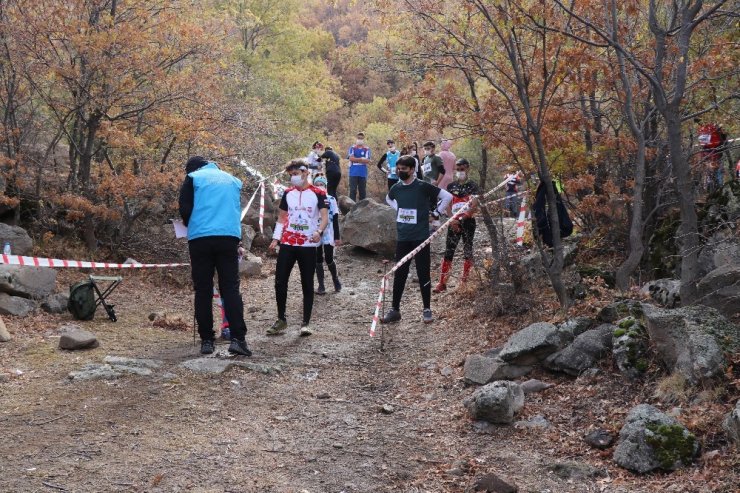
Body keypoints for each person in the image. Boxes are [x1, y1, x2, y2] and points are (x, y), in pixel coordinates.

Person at [178, 156, 251, 356]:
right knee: (230, 288)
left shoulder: (193, 178)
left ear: (191, 169)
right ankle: (238, 339)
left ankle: (207, 341)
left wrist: (187, 222)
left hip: (200, 238)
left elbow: (185, 208)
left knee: (203, 289)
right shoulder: (232, 180)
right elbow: (236, 210)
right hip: (228, 237)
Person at [381, 156, 452, 324]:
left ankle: (427, 309)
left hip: (420, 237)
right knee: (400, 273)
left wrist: (436, 213)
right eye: (398, 169)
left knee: (422, 272)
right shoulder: (397, 188)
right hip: (403, 237)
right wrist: (398, 209)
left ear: (412, 169)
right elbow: (388, 198)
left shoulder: (422, 186)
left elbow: (447, 197)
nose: (400, 172)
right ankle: (395, 310)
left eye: (404, 169)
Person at [268, 160, 329, 337]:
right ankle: (281, 319)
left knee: (307, 282)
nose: (292, 177)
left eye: (295, 173)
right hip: (288, 242)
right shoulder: (288, 193)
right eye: (290, 174)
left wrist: (319, 230)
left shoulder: (319, 193)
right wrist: (275, 238)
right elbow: (281, 218)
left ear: (305, 172)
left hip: (308, 244)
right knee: (280, 281)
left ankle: (306, 323)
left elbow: (324, 217)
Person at [434, 158, 480, 293]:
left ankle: (464, 283)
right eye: (458, 169)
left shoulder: (473, 186)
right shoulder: (451, 186)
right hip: (453, 222)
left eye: (463, 169)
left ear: (468, 169)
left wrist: (464, 218)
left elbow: (475, 205)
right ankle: (442, 283)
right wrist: (452, 219)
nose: (460, 172)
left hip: (468, 221)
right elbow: (447, 204)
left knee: (467, 250)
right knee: (449, 251)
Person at [312, 175, 342, 294]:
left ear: (325, 186)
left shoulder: (331, 199)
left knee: (329, 258)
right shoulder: (312, 199)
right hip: (316, 231)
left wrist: (337, 237)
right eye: (317, 185)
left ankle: (335, 280)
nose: (319, 187)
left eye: (321, 185)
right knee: (317, 258)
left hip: (329, 231)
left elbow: (335, 219)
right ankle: (321, 285)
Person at [347, 132, 371, 201]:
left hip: (362, 173)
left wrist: (356, 159)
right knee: (353, 191)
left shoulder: (366, 149)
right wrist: (361, 159)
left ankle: (362, 208)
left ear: (363, 139)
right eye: (358, 138)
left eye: (361, 138)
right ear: (356, 138)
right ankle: (351, 207)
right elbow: (351, 158)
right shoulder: (352, 148)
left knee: (362, 191)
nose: (360, 139)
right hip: (353, 173)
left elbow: (367, 160)